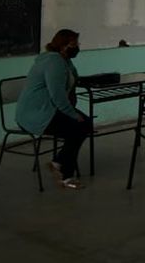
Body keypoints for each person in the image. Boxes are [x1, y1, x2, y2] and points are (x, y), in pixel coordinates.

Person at [15, 28, 92, 189]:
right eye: (74, 44)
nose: (77, 47)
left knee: (84, 124)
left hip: (48, 110)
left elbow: (71, 84)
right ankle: (65, 174)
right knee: (79, 126)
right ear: (63, 46)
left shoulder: (64, 61)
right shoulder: (53, 62)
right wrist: (72, 114)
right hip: (35, 114)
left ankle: (58, 163)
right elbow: (57, 95)